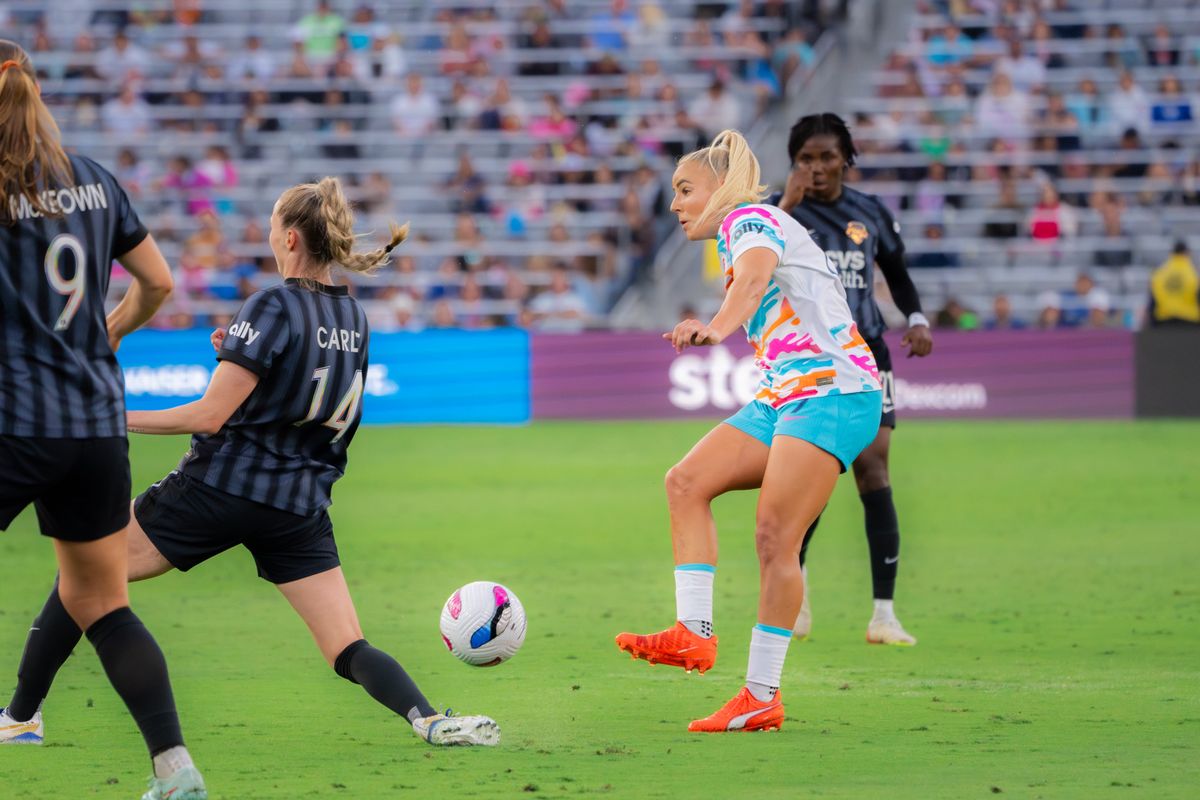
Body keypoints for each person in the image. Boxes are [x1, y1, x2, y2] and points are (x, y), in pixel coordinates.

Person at [1, 177, 500, 752]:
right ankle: (430, 719)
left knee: (84, 578)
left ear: (289, 237)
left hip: (220, 487)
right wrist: (236, 351)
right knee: (347, 646)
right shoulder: (355, 318)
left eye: (269, 227)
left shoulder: (272, 302)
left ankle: (20, 716)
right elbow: (304, 391)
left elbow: (212, 415)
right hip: (298, 506)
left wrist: (113, 416)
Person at [615, 130, 883, 732]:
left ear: (722, 188)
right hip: (784, 395)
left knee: (773, 536)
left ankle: (762, 694)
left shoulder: (749, 219)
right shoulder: (744, 232)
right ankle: (693, 634)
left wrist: (716, 328)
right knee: (686, 482)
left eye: (685, 190)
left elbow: (756, 280)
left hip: (833, 390)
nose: (676, 204)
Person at [0, 44, 208, 800]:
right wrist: (109, 333)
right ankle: (175, 769)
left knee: (94, 599)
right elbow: (158, 282)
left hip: (13, 419)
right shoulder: (92, 179)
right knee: (99, 602)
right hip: (93, 423)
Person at [769, 113, 932, 646]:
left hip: (868, 352)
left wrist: (917, 319)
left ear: (846, 158)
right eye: (805, 159)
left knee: (873, 470)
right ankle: (798, 598)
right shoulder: (775, 213)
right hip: (810, 359)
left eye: (825, 157)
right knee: (811, 476)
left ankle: (884, 615)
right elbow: (751, 263)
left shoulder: (869, 213)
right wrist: (786, 206)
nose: (816, 168)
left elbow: (899, 274)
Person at [1147, 241, 1200, 327]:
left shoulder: (1159, 274)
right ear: (1187, 253)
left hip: (1164, 322)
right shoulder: (1194, 274)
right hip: (1189, 322)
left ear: (1171, 253)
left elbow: (1152, 303)